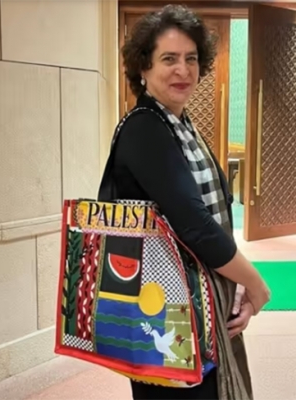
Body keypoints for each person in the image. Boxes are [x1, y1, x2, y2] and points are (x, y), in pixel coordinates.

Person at [97, 5, 271, 400]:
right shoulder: (145, 128)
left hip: (193, 298)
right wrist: (254, 283)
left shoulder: (180, 125)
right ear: (143, 67)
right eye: (169, 59)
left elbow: (211, 215)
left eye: (191, 58)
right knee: (182, 391)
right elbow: (194, 224)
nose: (183, 70)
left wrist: (231, 282)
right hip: (163, 305)